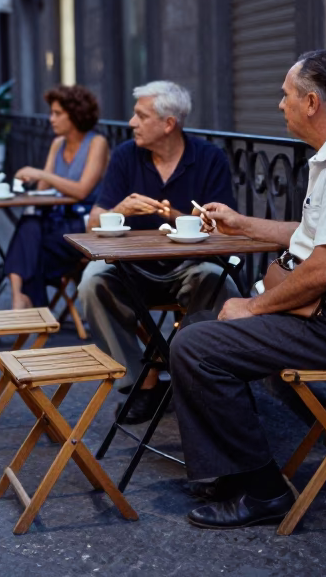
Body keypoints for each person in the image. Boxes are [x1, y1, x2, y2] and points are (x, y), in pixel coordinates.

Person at [172, 50, 326, 530]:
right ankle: (231, 473)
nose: (279, 104)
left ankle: (264, 491)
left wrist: (254, 306)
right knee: (197, 329)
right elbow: (312, 237)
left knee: (197, 347)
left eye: (285, 96)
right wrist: (243, 225)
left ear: (310, 102)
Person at [78, 80, 239, 424]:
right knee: (92, 282)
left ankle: (191, 375)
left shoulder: (209, 158)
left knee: (218, 284)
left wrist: (172, 216)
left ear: (169, 124)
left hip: (191, 266)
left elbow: (225, 227)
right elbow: (93, 222)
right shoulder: (125, 156)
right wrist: (119, 208)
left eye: (140, 115)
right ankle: (142, 383)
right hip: (130, 268)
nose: (131, 123)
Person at [3, 85, 109, 309]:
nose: (51, 119)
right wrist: (35, 180)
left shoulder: (96, 143)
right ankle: (18, 300)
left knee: (34, 246)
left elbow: (82, 191)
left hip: (83, 225)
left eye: (57, 113)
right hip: (55, 220)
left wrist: (42, 174)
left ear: (75, 114)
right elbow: (43, 190)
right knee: (30, 223)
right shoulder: (57, 144)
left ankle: (23, 301)